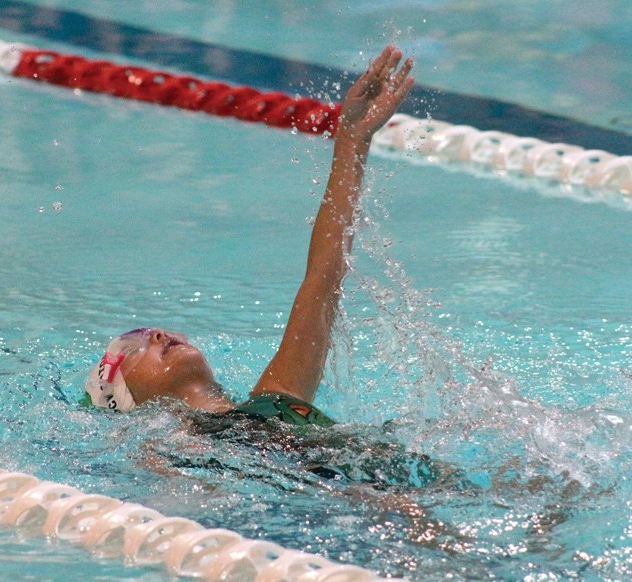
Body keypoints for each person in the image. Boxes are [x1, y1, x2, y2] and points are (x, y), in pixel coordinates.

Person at [82, 46, 415, 426]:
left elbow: (323, 279)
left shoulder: (279, 395)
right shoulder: (168, 450)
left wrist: (352, 138)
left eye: (143, 334)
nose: (156, 334)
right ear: (129, 401)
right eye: (130, 349)